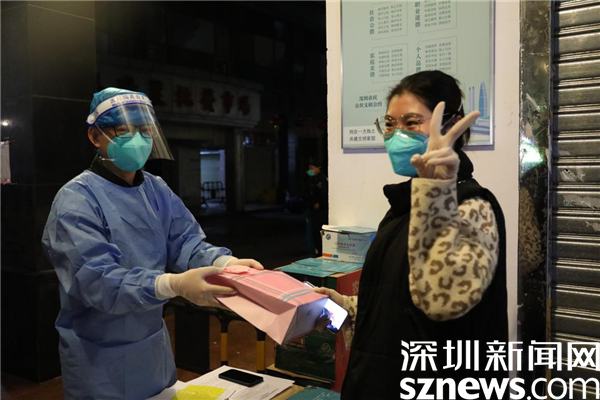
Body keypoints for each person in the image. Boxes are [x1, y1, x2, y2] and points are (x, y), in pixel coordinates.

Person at [42, 88, 263, 400]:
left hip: (151, 349)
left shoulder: (155, 189)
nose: (137, 140)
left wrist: (224, 263)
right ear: (95, 136)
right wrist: (171, 284)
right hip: (99, 358)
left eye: (145, 131)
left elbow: (185, 241)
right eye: (123, 131)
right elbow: (97, 282)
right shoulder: (76, 201)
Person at [315, 71, 508, 399]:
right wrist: (348, 307)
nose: (396, 135)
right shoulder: (404, 206)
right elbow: (401, 296)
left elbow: (441, 303)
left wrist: (436, 190)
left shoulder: (473, 205)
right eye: (390, 124)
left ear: (449, 125)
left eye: (412, 122)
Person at [306, 161, 329, 255]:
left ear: (318, 168)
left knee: (319, 231)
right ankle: (318, 250)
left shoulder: (322, 179)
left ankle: (321, 251)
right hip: (314, 211)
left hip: (321, 211)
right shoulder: (313, 180)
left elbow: (324, 194)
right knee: (315, 232)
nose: (310, 171)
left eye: (312, 168)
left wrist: (319, 203)